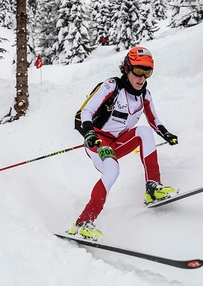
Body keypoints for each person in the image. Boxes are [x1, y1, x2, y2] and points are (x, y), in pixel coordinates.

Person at [68, 46, 178, 240]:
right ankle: (83, 222)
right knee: (112, 170)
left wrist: (166, 133)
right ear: (127, 68)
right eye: (138, 70)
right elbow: (85, 112)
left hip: (119, 143)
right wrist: (89, 133)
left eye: (147, 72)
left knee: (143, 131)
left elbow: (154, 121)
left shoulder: (145, 95)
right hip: (98, 141)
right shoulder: (112, 86)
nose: (142, 77)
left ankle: (153, 188)